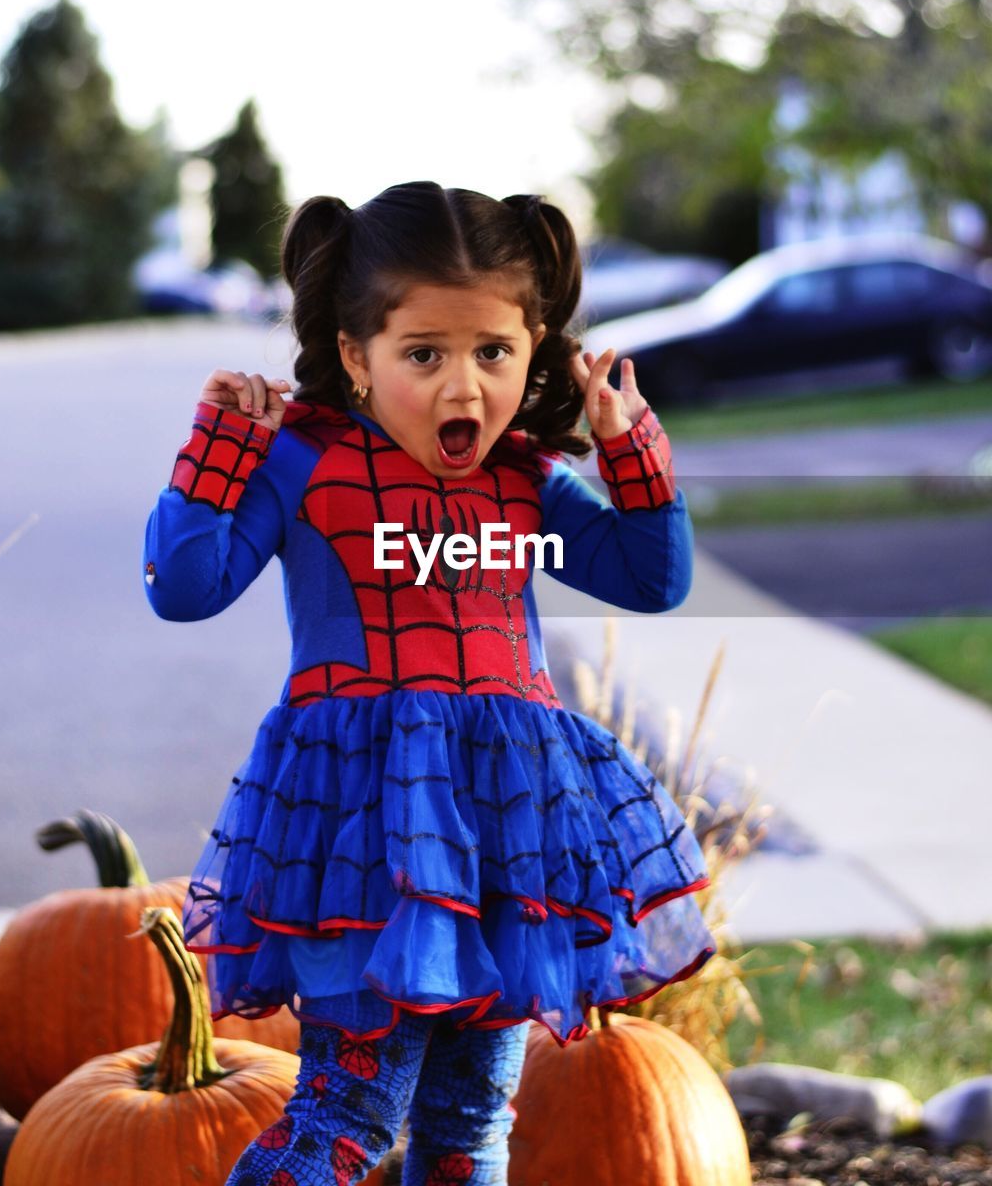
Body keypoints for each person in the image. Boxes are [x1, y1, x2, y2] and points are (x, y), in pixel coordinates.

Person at [143, 182, 717, 1186]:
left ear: (536, 344)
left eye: (492, 351)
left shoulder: (524, 479)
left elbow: (650, 575)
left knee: (468, 1127)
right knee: (347, 1112)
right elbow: (185, 587)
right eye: (424, 354)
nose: (464, 389)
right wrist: (218, 453)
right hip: (364, 838)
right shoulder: (305, 465)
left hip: (510, 838)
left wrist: (629, 447)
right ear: (355, 355)